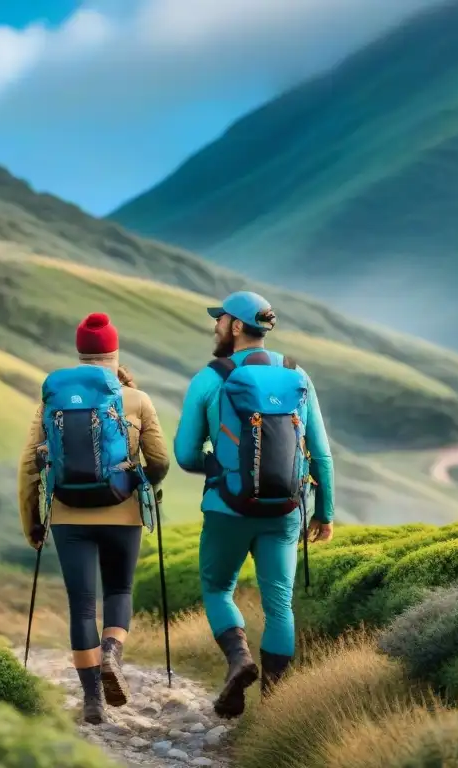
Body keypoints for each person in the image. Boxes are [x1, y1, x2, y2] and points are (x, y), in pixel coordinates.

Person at [173, 290, 335, 718]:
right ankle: (273, 707)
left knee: (217, 589)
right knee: (279, 604)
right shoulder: (297, 375)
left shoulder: (210, 378)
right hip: (285, 510)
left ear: (236, 326)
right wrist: (325, 512)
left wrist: (221, 468)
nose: (216, 326)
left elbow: (186, 455)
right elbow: (321, 454)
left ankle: (238, 659)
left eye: (220, 319)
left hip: (226, 507)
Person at [18, 312, 171, 725]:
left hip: (69, 516)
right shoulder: (137, 400)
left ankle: (92, 702)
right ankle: (111, 654)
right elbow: (159, 461)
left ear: (80, 354)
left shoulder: (52, 401)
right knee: (119, 590)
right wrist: (141, 483)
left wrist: (33, 522)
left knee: (82, 605)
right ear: (114, 353)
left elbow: (30, 467)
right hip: (123, 513)